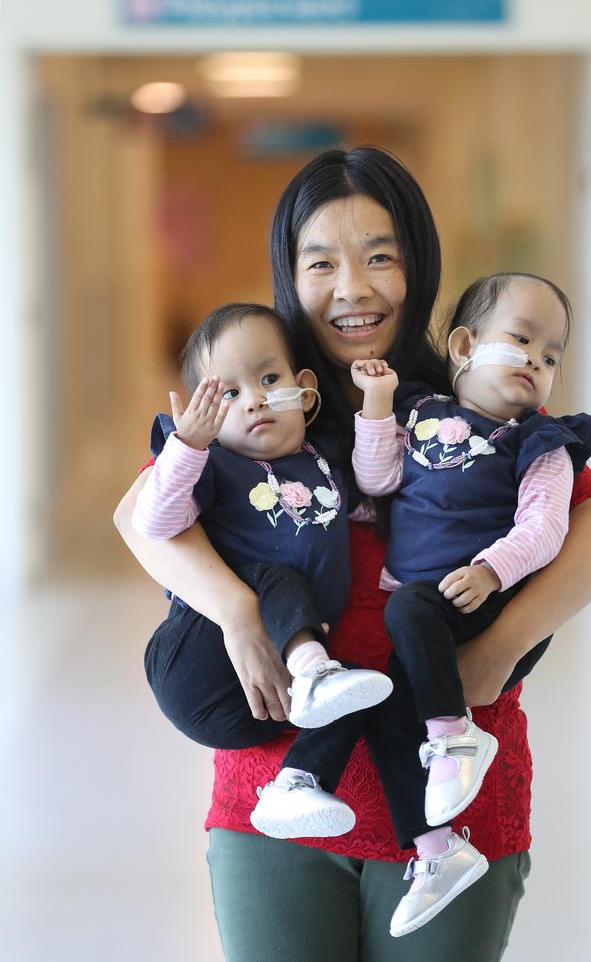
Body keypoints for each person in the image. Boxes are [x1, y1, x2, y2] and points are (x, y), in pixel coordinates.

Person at [114, 146, 591, 962]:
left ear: (418, 264)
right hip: (278, 801)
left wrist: (496, 652)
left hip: (450, 813)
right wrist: (239, 612)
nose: (351, 288)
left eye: (380, 257)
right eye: (320, 261)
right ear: (291, 273)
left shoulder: (467, 399)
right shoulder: (264, 395)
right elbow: (136, 515)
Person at [349, 271, 591, 935]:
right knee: (384, 715)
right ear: (464, 343)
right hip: (427, 605)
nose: (537, 363)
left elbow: (545, 528)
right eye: (521, 339)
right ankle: (437, 851)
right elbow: (377, 480)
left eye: (551, 356)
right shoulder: (420, 411)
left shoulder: (541, 442)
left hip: (484, 593)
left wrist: (490, 571)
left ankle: (455, 736)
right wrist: (377, 406)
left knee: (406, 615)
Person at [132, 300, 394, 839]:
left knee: (360, 693)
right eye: (228, 394)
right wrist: (188, 446)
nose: (254, 400)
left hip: (262, 699)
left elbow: (379, 490)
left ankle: (293, 786)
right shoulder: (214, 467)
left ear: (303, 387)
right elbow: (152, 521)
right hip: (196, 659)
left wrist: (376, 406)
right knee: (275, 577)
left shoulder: (322, 463)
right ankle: (313, 668)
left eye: (269, 378)